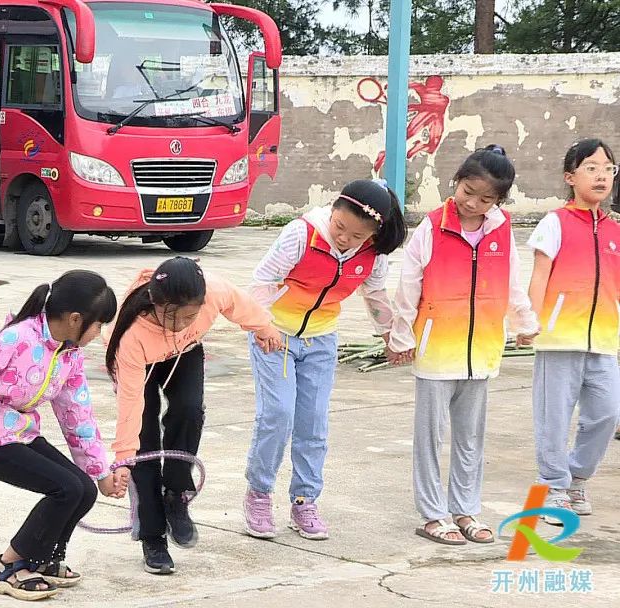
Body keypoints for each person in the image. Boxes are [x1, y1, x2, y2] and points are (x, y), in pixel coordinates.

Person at [387, 145, 539, 545]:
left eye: (485, 199)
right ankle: (433, 513)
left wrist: (524, 323)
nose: (473, 203)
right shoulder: (431, 227)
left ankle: (466, 509)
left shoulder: (501, 228)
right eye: (468, 191)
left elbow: (512, 281)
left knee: (471, 438)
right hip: (437, 349)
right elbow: (409, 286)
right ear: (456, 181)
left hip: (482, 349)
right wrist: (401, 335)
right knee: (431, 436)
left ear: (499, 201)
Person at [0, 271, 128, 600]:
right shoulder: (19, 337)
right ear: (76, 319)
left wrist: (100, 472)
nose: (99, 332)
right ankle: (9, 566)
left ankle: (43, 560)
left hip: (20, 433)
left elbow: (78, 416)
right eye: (99, 324)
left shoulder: (68, 355)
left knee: (84, 489)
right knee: (65, 488)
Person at [244, 178, 407, 541]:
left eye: (357, 236)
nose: (345, 239)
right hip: (275, 335)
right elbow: (263, 281)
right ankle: (259, 493)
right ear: (332, 210)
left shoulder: (374, 253)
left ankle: (305, 500)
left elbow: (376, 294)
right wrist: (260, 325)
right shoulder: (299, 234)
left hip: (321, 340)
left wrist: (391, 337)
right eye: (340, 227)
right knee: (278, 415)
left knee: (313, 422)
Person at [104, 256, 282, 575]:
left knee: (188, 410)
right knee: (144, 444)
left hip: (184, 353)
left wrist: (264, 327)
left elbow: (240, 303)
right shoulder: (131, 334)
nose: (184, 323)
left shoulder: (212, 291)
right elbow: (130, 406)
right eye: (174, 318)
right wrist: (123, 459)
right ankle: (152, 536)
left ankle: (176, 493)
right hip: (139, 365)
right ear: (156, 304)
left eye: (191, 316)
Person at [526, 138, 620, 525]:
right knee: (554, 418)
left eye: (608, 169)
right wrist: (529, 321)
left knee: (607, 414)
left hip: (604, 340)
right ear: (570, 176)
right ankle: (553, 487)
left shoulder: (615, 230)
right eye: (591, 168)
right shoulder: (555, 222)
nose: (601, 176)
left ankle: (577, 477)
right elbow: (539, 275)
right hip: (559, 337)